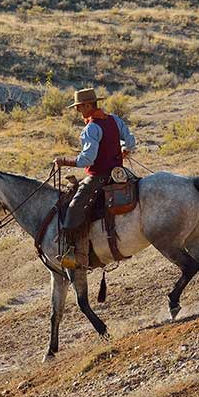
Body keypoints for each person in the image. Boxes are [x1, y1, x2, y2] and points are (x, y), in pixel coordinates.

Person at [54, 88, 137, 269]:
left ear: (89, 105)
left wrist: (64, 161)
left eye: (79, 106)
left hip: (99, 176)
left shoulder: (91, 128)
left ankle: (72, 253)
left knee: (73, 208)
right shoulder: (114, 120)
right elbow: (130, 141)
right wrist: (125, 150)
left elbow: (87, 159)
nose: (77, 110)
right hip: (118, 173)